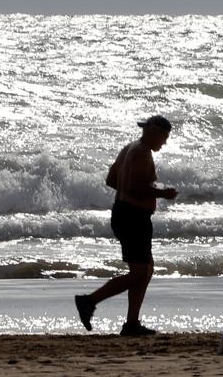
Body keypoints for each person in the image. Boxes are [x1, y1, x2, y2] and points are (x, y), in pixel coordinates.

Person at [75, 115, 179, 336]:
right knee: (140, 272)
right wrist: (162, 193)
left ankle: (132, 323)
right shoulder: (141, 152)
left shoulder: (129, 148)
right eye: (164, 137)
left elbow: (111, 179)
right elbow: (134, 187)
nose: (164, 142)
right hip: (132, 217)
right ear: (153, 132)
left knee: (146, 270)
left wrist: (128, 191)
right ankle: (89, 300)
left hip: (125, 213)